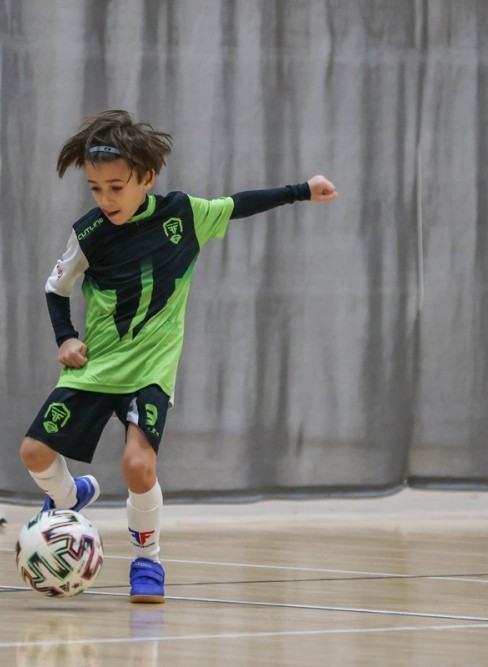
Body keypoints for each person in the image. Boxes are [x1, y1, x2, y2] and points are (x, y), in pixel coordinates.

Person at [20, 109, 337, 603]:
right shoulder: (88, 233)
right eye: (95, 188)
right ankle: (69, 498)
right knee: (34, 453)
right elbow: (55, 288)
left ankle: (147, 561)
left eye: (116, 187)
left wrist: (302, 190)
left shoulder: (183, 215)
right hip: (96, 367)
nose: (105, 199)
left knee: (138, 465)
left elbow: (238, 204)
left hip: (151, 369)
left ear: (146, 178)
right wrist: (66, 337)